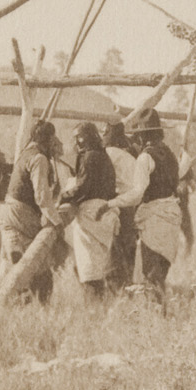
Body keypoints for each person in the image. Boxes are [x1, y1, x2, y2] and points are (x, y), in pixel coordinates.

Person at [112, 107, 185, 294]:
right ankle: (159, 312)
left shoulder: (145, 158)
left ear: (141, 137)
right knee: (159, 272)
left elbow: (137, 193)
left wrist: (112, 203)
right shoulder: (170, 155)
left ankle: (155, 314)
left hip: (154, 218)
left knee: (150, 274)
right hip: (172, 216)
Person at [2, 120, 67, 302]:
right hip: (22, 212)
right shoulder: (39, 158)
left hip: (10, 211)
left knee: (21, 261)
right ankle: (39, 302)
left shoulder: (25, 153)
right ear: (47, 140)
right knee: (39, 262)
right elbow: (42, 197)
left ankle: (24, 298)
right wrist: (57, 222)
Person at [61, 124, 118, 293]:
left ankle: (94, 308)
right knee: (98, 262)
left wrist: (64, 197)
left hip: (91, 212)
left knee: (88, 265)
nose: (76, 142)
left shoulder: (89, 156)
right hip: (106, 211)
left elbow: (83, 186)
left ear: (85, 138)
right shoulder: (103, 156)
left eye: (78, 137)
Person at [102, 121, 138, 287]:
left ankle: (114, 284)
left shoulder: (105, 154)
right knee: (127, 246)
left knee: (112, 248)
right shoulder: (130, 158)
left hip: (113, 205)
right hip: (130, 207)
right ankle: (127, 283)